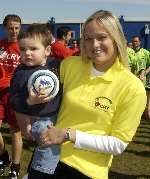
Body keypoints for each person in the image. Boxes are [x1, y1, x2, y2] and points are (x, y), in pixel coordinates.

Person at [39, 10, 147, 179]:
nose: (94, 44)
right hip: (46, 158)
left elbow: (118, 144)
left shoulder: (132, 87)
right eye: (88, 38)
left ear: (116, 38)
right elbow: (47, 103)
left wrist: (69, 135)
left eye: (102, 37)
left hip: (85, 170)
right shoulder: (69, 65)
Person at [9, 23, 62, 179]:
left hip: (59, 117)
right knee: (46, 162)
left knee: (48, 158)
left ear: (47, 51)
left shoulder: (54, 64)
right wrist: (29, 102)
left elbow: (70, 54)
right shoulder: (21, 72)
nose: (27, 53)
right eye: (23, 49)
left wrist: (52, 41)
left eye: (33, 49)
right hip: (43, 122)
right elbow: (13, 100)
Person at [0, 14, 22, 178]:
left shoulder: (24, 46)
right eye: (10, 28)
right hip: (0, 93)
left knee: (15, 131)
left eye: (17, 28)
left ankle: (15, 167)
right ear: (5, 28)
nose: (14, 31)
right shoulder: (0, 45)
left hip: (15, 94)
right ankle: (3, 156)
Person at [132, 36, 150, 119]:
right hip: (131, 81)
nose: (134, 43)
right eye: (133, 41)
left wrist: (145, 73)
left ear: (139, 42)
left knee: (141, 98)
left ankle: (142, 115)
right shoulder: (130, 52)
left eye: (136, 41)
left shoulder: (145, 52)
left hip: (142, 81)